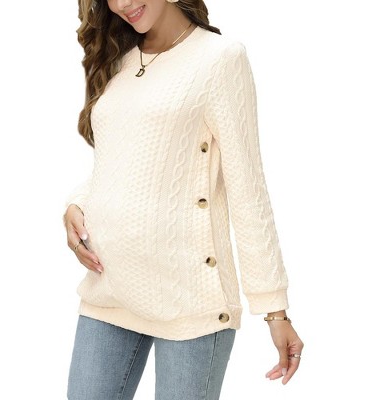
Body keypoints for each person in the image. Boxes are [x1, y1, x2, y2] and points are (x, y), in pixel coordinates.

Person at [63, 1, 304, 399]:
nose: (122, 4)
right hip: (109, 290)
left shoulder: (219, 59)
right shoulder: (119, 59)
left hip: (189, 301)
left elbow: (248, 188)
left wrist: (274, 309)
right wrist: (77, 203)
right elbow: (122, 161)